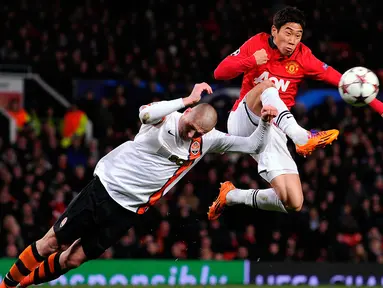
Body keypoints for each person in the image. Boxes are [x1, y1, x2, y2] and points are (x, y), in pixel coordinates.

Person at [0, 83, 278, 288]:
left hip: (129, 211)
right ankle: (6, 285)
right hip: (104, 189)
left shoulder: (208, 140)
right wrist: (186, 98)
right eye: (191, 127)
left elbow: (253, 144)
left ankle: (22, 286)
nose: (192, 135)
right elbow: (144, 114)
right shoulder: (164, 118)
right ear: (188, 112)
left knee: (72, 261)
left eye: (199, 133)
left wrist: (264, 122)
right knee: (51, 244)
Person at [208, 6, 343, 220]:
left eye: (297, 35)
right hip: (243, 118)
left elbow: (342, 82)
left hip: (272, 126)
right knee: (267, 85)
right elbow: (219, 72)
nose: (292, 40)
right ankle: (300, 136)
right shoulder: (257, 43)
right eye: (288, 33)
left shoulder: (303, 56)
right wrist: (251, 61)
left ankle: (232, 196)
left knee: (293, 201)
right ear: (274, 31)